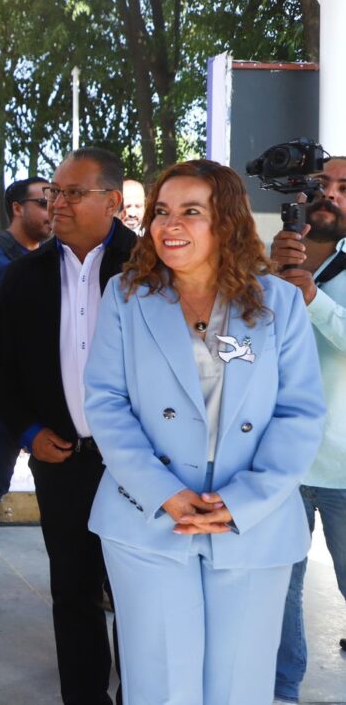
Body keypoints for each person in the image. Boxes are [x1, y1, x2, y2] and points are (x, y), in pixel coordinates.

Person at [84, 159, 325, 705]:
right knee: (160, 684)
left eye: (192, 212)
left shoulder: (279, 303)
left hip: (251, 523)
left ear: (228, 223)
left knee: (239, 687)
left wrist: (244, 502)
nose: (171, 225)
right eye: (163, 212)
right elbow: (106, 402)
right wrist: (163, 492)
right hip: (147, 517)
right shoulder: (126, 297)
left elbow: (300, 413)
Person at [0, 147, 134, 705]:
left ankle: (141, 693)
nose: (58, 204)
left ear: (113, 202)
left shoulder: (150, 267)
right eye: (54, 193)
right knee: (71, 591)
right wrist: (27, 432)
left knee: (136, 592)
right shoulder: (24, 276)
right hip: (62, 460)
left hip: (138, 466)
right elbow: (2, 368)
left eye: (74, 193)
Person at [272, 154, 346, 703]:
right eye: (322, 184)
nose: (330, 195)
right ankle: (280, 692)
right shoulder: (273, 258)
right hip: (283, 465)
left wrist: (314, 299)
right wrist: (271, 280)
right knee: (278, 590)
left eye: (344, 186)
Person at [0, 177, 52, 586]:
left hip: (34, 396)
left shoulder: (50, 259)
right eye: (43, 201)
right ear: (17, 208)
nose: (52, 209)